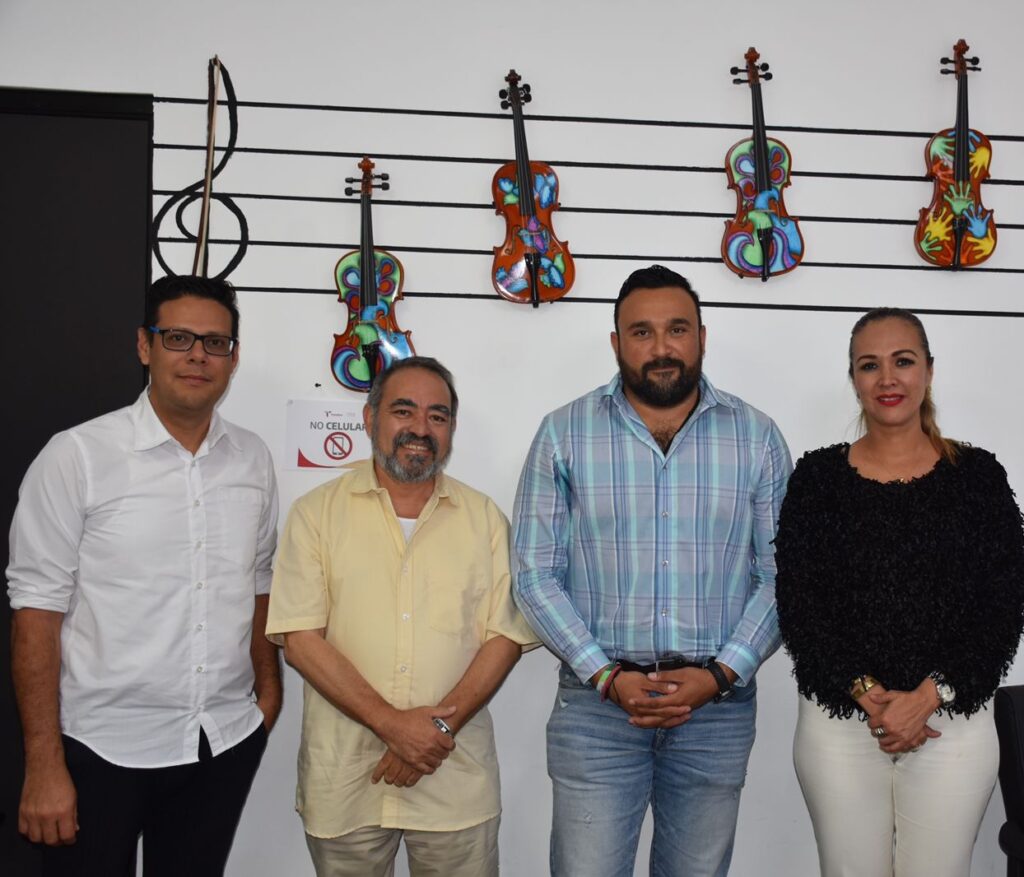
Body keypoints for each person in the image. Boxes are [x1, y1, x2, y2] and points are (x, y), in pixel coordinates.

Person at [512, 264, 792, 877]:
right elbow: (534, 574)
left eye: (677, 329)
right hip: (597, 711)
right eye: (641, 332)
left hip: (715, 713)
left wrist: (721, 674)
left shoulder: (757, 438)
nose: (661, 347)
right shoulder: (563, 434)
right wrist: (605, 675)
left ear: (701, 337)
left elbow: (783, 575)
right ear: (616, 343)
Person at [7, 275, 281, 876]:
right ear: (144, 345)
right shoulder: (76, 457)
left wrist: (268, 693)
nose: (198, 356)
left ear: (233, 357)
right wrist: (44, 763)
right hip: (100, 749)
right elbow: (36, 612)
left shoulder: (254, 459)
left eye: (215, 343)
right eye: (178, 337)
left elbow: (259, 581)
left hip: (220, 742)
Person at [774, 307, 1024, 877]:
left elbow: (1002, 607)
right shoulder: (817, 480)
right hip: (840, 724)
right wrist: (865, 691)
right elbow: (801, 605)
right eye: (870, 365)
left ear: (929, 370)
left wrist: (930, 695)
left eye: (903, 361)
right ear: (853, 378)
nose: (887, 379)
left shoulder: (979, 477)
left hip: (953, 722)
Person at [266, 356, 538, 877]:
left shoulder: (485, 519)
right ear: (370, 418)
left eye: (437, 416)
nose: (421, 428)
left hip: (453, 779)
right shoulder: (315, 514)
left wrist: (433, 729)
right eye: (403, 411)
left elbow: (505, 637)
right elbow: (300, 640)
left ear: (452, 428)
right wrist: (393, 725)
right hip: (347, 781)